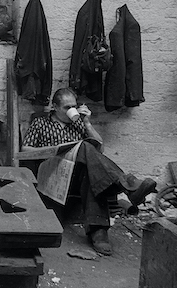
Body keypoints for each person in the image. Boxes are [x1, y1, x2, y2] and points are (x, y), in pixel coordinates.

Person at [22, 87, 156, 255]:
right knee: (85, 148)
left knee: (89, 168)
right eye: (66, 107)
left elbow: (100, 148)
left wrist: (87, 123)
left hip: (76, 173)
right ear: (55, 107)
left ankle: (99, 232)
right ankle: (126, 185)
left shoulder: (78, 123)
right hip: (52, 172)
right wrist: (53, 149)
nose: (72, 110)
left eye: (74, 106)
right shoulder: (41, 123)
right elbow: (24, 150)